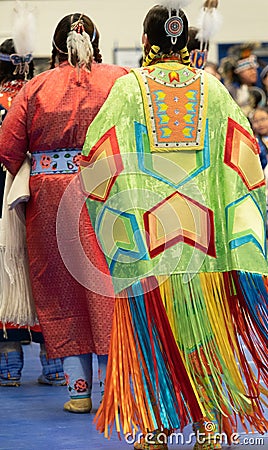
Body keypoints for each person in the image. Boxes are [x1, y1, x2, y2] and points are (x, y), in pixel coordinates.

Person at [80, 3, 268, 449]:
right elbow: (246, 163)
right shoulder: (214, 90)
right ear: (186, 46)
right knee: (204, 335)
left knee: (154, 335)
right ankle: (208, 429)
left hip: (150, 242)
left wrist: (118, 228)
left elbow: (97, 158)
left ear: (146, 43)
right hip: (204, 245)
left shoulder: (128, 91)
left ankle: (156, 429)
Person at [0, 13, 128, 410]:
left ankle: (79, 393)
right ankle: (118, 390)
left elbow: (8, 148)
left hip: (52, 200)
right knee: (111, 287)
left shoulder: (36, 87)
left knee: (61, 291)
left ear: (54, 47)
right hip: (110, 192)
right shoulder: (121, 80)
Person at [0, 36, 65, 387]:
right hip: (40, 190)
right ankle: (52, 361)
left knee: (5, 271)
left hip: (6, 191)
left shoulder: (27, 94)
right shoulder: (44, 93)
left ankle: (8, 364)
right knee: (42, 270)